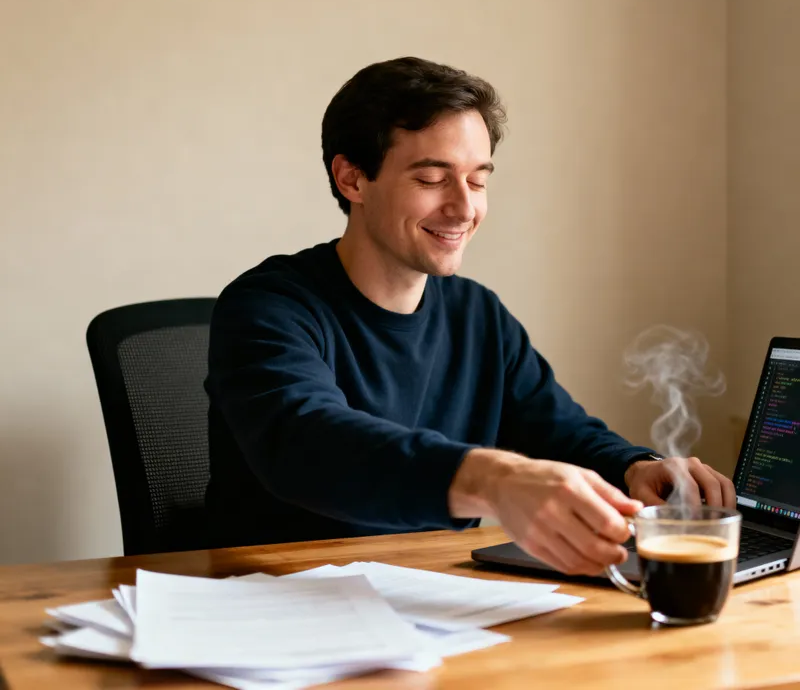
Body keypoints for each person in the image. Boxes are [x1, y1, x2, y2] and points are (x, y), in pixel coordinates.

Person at [205, 56, 735, 575]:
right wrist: (495, 477)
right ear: (352, 179)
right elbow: (310, 444)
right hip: (275, 609)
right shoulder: (268, 309)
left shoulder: (477, 314)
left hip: (430, 598)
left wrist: (634, 468)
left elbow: (562, 432)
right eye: (433, 179)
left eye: (478, 181)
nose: (464, 208)